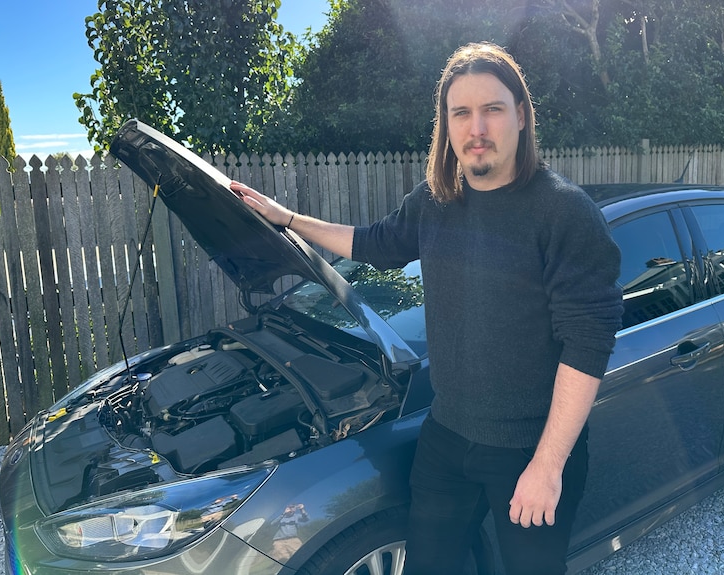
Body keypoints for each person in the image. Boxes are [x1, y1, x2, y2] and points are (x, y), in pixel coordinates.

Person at [231, 42, 623, 575]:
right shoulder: (437, 200)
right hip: (447, 436)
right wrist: (289, 219)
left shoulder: (564, 213)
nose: (476, 127)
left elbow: (588, 341)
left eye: (492, 109)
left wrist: (547, 466)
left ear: (523, 115)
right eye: (461, 112)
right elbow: (373, 243)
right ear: (447, 124)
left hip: (529, 449)